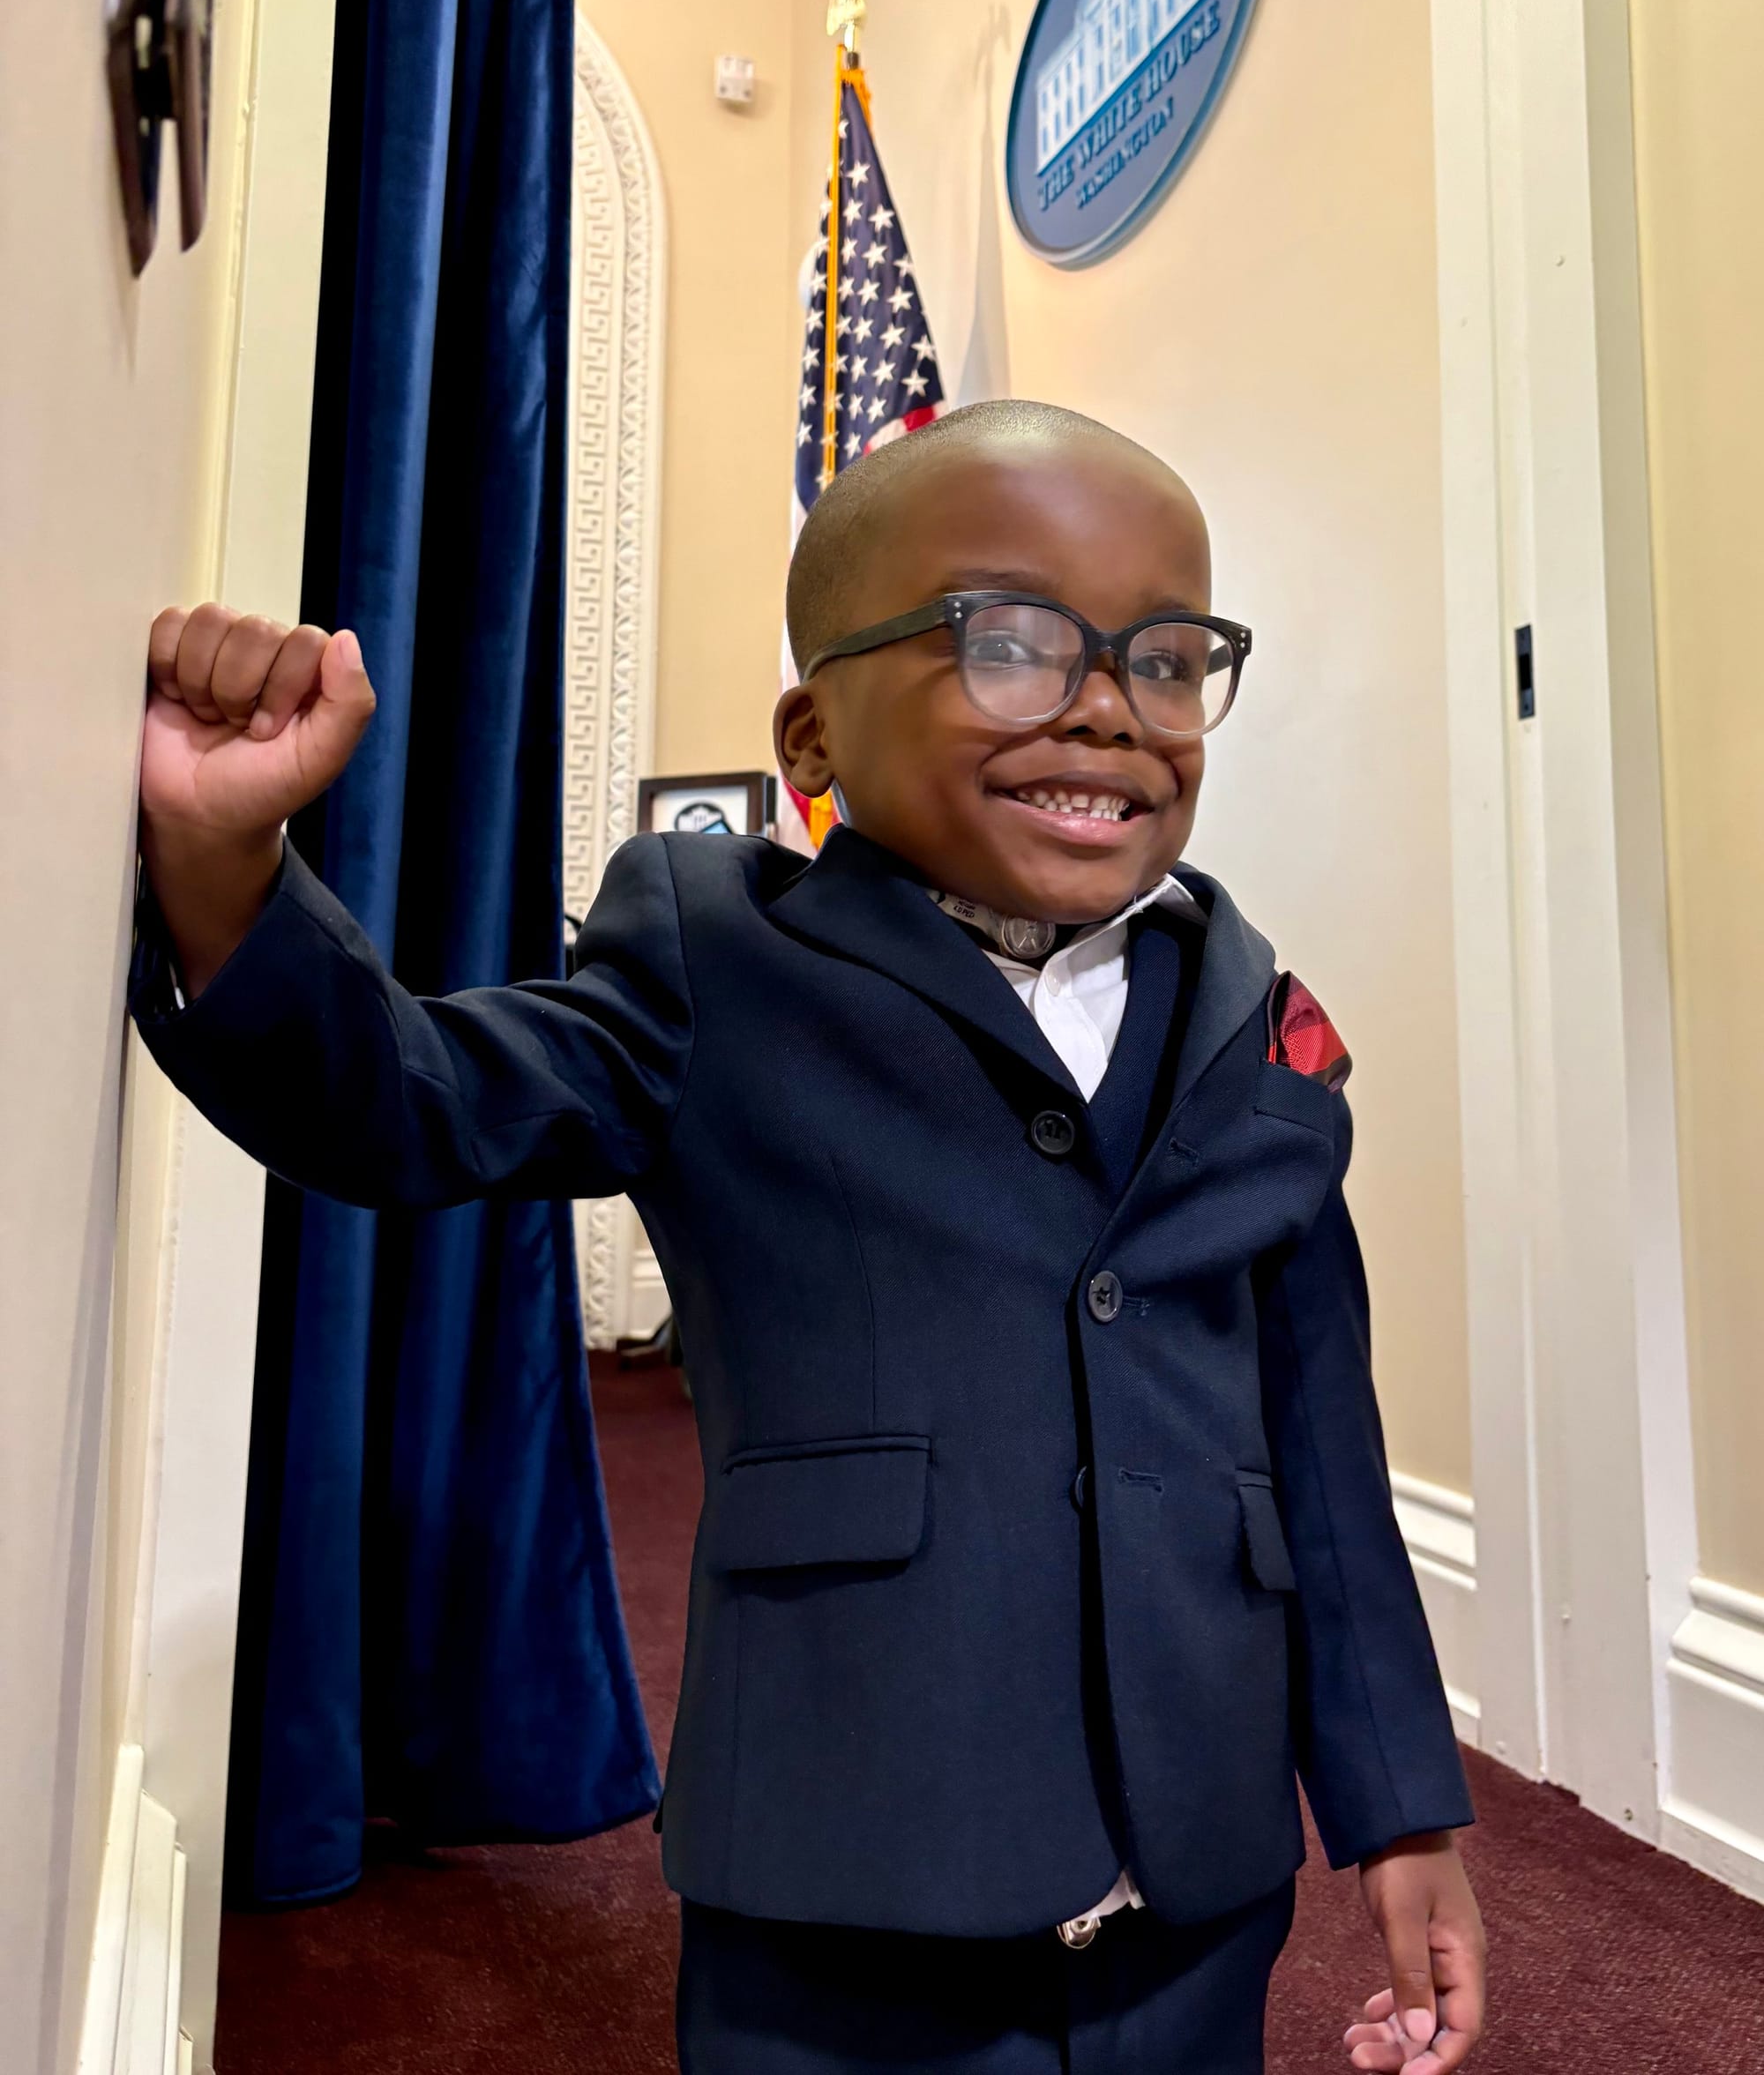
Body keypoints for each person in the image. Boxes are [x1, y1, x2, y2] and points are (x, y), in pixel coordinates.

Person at [131, 399, 1485, 2074]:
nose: (1109, 711)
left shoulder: (1252, 1018)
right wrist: (222, 858)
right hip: (852, 1849)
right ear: (813, 737)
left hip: (1196, 1868)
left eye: (1168, 656)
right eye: (1009, 644)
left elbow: (1325, 1462)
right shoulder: (714, 959)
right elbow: (420, 1101)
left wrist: (1401, 1812)